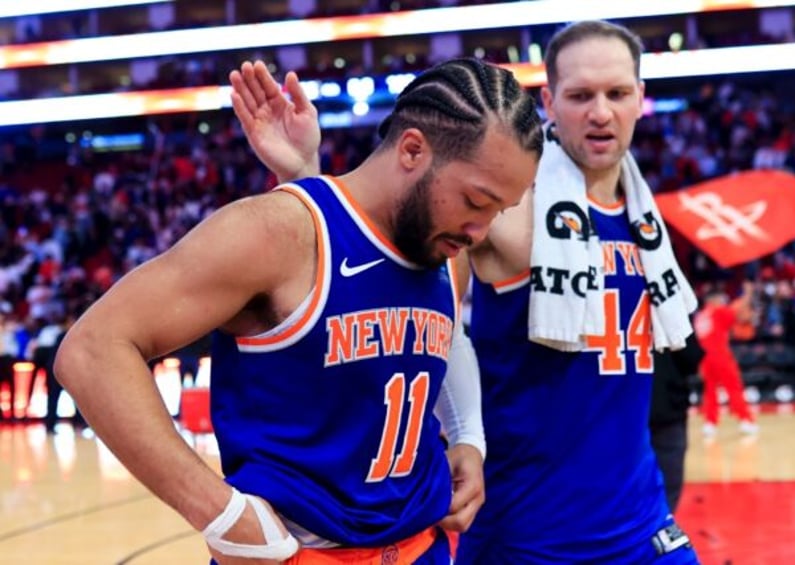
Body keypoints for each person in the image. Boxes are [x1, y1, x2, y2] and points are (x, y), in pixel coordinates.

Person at [236, 20, 701, 564]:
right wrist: (306, 175)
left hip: (642, 522)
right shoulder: (502, 208)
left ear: (641, 99)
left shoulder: (645, 216)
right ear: (549, 100)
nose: (600, 112)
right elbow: (397, 295)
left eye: (617, 93)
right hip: (527, 531)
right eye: (580, 96)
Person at [54, 57, 544, 565]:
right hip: (297, 553)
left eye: (498, 211)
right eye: (475, 200)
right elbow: (93, 351)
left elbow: (445, 338)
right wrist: (221, 515)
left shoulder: (446, 247)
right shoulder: (275, 232)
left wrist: (469, 437)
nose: (481, 231)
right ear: (413, 149)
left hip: (424, 546)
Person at [694, 283, 758, 437]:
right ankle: (745, 421)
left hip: (704, 359)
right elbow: (738, 312)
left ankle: (710, 424)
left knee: (709, 391)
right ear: (714, 300)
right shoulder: (718, 311)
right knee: (734, 387)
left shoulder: (701, 316)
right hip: (720, 356)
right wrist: (748, 294)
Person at [649, 333, 704, 512]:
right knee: (669, 479)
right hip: (668, 407)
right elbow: (692, 357)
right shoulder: (671, 305)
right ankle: (663, 528)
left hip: (625, 410)